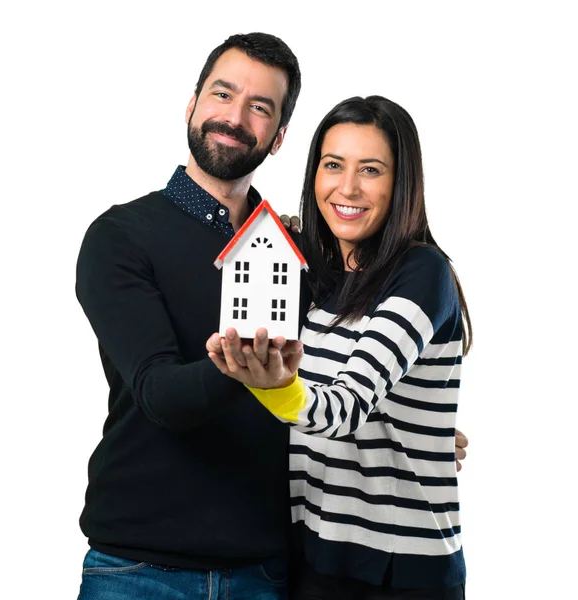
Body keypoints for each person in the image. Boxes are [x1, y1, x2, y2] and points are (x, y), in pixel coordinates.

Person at [76, 31, 469, 599]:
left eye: (260, 107)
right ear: (191, 105)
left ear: (279, 137)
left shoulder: (304, 253)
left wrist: (408, 431)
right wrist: (253, 372)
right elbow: (160, 394)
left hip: (271, 568)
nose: (235, 118)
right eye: (222, 94)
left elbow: (343, 377)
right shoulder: (120, 238)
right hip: (140, 570)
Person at [208, 95, 471, 599]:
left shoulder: (421, 272)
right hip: (311, 556)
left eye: (370, 170)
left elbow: (346, 407)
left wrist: (276, 386)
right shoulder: (321, 279)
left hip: (398, 572)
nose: (346, 188)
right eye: (333, 165)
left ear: (402, 183)